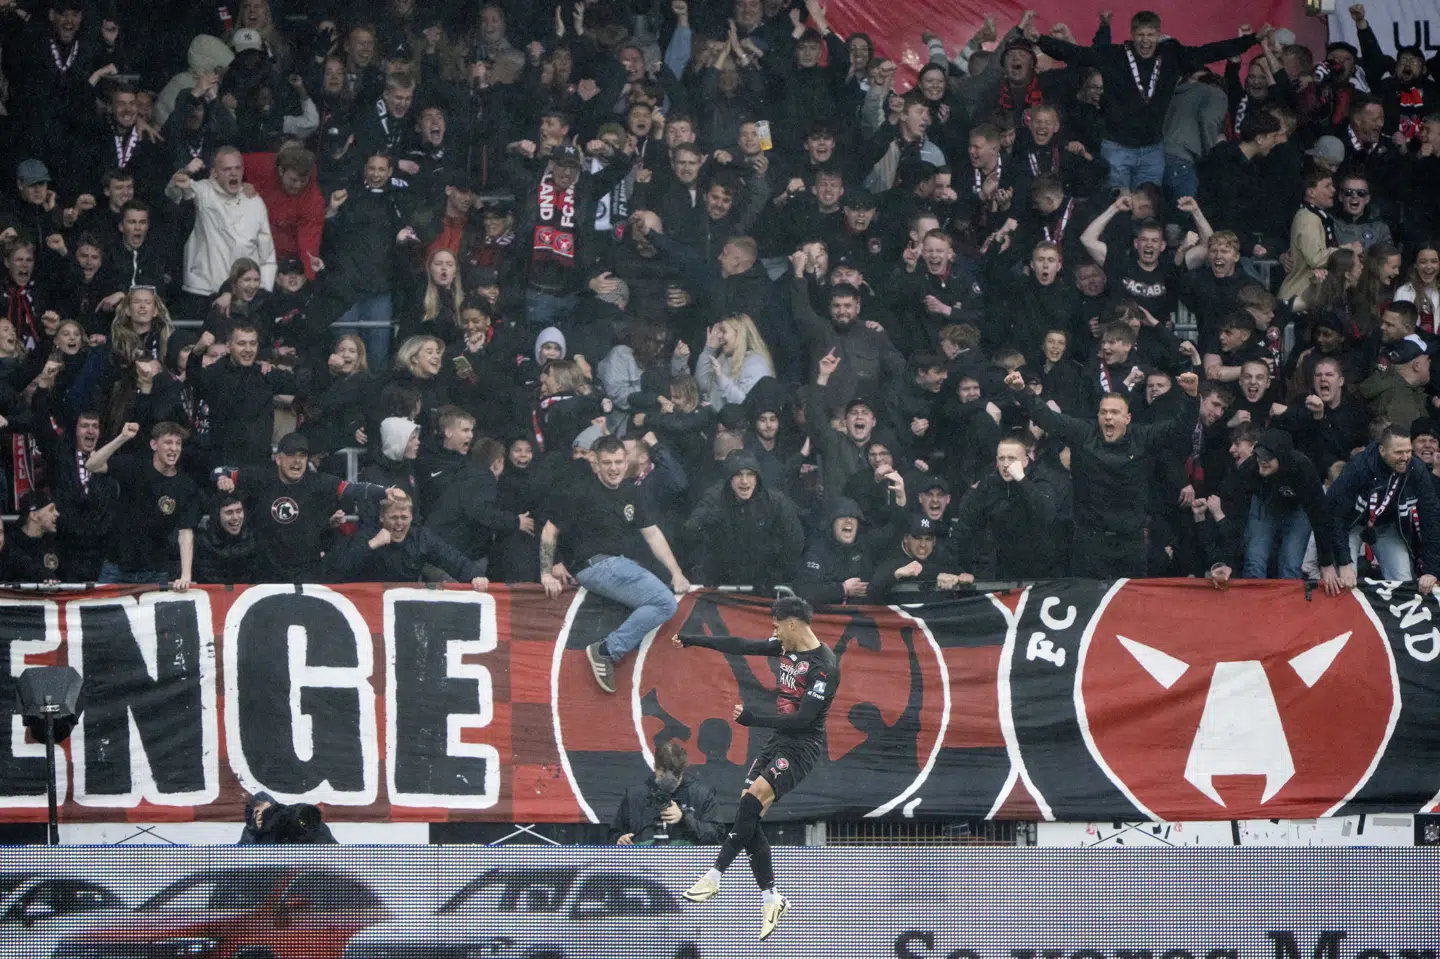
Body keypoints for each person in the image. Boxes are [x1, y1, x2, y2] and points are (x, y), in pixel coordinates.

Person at [675, 594, 839, 941]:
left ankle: (714, 876)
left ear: (793, 623)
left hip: (801, 747)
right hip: (778, 741)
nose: (774, 632)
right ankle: (771, 898)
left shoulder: (825, 665)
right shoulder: (785, 648)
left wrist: (752, 720)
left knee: (750, 805)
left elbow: (805, 719)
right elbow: (740, 644)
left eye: (777, 625)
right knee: (750, 813)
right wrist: (693, 640)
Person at [1005, 368, 1201, 577]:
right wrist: (1021, 390)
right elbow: (1047, 418)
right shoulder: (1083, 432)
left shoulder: (1143, 436)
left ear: (1127, 418)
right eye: (1104, 412)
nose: (1108, 417)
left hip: (1131, 544)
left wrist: (1191, 397)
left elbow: (1179, 429)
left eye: (1115, 412)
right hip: (1089, 544)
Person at [539, 435, 690, 694]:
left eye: (619, 461)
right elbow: (549, 531)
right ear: (595, 464)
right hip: (597, 565)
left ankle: (608, 649)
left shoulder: (632, 491)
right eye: (607, 462)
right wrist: (545, 573)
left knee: (659, 596)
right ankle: (606, 650)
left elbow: (652, 533)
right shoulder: (580, 491)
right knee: (664, 602)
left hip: (618, 566)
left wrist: (676, 572)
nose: (614, 468)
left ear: (626, 461)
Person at [214, 432, 403, 581]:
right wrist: (222, 480)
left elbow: (352, 488)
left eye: (302, 456)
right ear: (278, 458)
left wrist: (385, 491)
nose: (297, 462)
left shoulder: (318, 482)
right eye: (291, 455)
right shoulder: (261, 477)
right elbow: (217, 471)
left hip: (306, 573)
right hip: (265, 572)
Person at [1324, 426, 1440, 593]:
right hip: (1350, 527)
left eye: (1408, 451)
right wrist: (1344, 562)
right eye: (1399, 452)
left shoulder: (1416, 469)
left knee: (1403, 584)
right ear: (1382, 450)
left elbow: (1431, 518)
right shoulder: (1359, 467)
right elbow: (1335, 514)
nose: (1405, 458)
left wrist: (1431, 570)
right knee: (1346, 581)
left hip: (1386, 527)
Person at [166, 147, 277, 318]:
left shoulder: (255, 201)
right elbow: (174, 191)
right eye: (227, 169)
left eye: (237, 168)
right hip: (203, 292)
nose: (233, 174)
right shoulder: (201, 192)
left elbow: (267, 253)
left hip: (244, 297)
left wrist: (263, 291)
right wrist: (184, 172)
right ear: (214, 172)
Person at [85, 421, 199, 589]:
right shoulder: (134, 465)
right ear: (154, 444)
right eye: (168, 442)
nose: (174, 448)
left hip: (155, 572)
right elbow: (92, 465)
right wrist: (122, 438)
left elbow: (185, 533)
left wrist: (186, 576)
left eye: (178, 443)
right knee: (104, 615)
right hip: (117, 569)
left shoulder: (185, 486)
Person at [610, 740, 725, 846]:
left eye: (676, 776)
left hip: (686, 863)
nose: (669, 782)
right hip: (644, 862)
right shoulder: (635, 796)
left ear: (683, 770)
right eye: (663, 775)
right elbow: (614, 834)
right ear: (655, 767)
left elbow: (717, 836)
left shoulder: (701, 795)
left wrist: (684, 818)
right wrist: (619, 839)